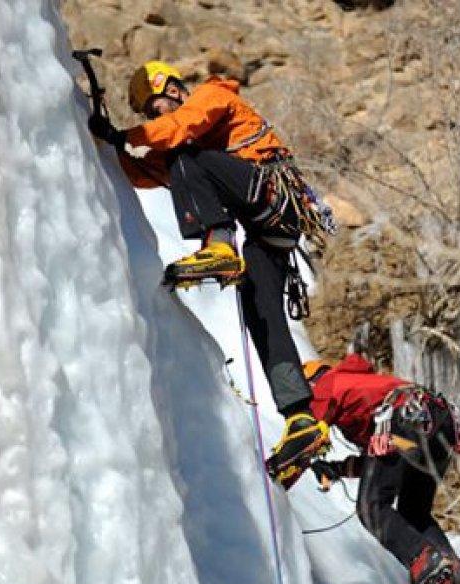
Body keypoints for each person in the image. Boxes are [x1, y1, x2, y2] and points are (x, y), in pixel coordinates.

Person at [87, 61, 332, 472]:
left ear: (176, 89)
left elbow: (181, 130)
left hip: (269, 192)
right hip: (267, 227)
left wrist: (126, 135)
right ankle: (301, 418)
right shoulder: (193, 142)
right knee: (262, 314)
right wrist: (113, 147)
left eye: (157, 105)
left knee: (184, 154)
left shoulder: (213, 97)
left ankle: (218, 244)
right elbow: (153, 173)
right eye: (149, 113)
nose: (157, 115)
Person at [298, 355, 460, 584]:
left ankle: (428, 564)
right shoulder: (364, 388)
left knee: (371, 507)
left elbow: (306, 434)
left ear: (310, 381)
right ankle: (453, 578)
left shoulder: (327, 384)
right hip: (434, 422)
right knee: (414, 512)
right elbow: (383, 463)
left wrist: (283, 466)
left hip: (404, 419)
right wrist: (337, 469)